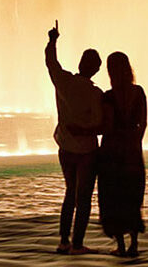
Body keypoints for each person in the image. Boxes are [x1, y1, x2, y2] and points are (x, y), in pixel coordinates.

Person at [45, 20, 103, 256]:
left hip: (66, 148)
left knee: (70, 193)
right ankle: (77, 244)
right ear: (97, 70)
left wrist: (52, 40)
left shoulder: (64, 82)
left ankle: (63, 241)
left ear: (80, 64)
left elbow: (51, 63)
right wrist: (87, 131)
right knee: (84, 198)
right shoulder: (95, 94)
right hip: (87, 151)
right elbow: (101, 126)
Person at [97, 51, 147, 257]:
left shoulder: (109, 96)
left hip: (112, 153)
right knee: (132, 196)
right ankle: (134, 243)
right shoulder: (139, 92)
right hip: (133, 152)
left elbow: (107, 126)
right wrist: (135, 142)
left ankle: (120, 245)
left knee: (113, 196)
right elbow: (143, 122)